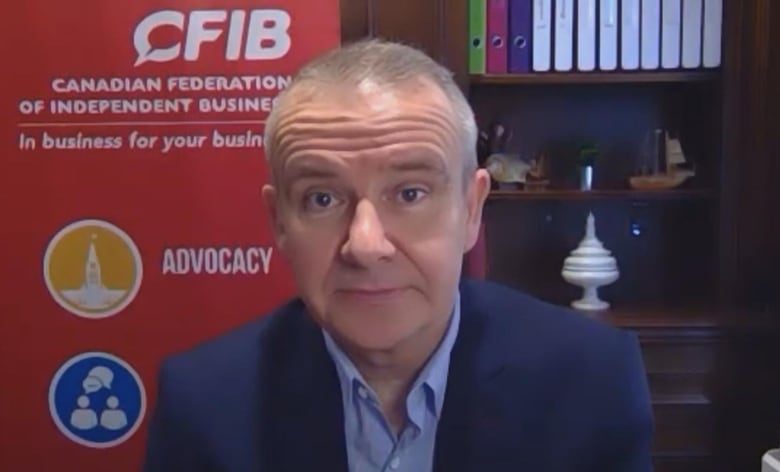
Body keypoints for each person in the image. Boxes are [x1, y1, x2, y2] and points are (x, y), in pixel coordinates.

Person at [142, 39, 653, 472]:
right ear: (279, 221)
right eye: (322, 199)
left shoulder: (591, 382)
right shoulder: (203, 402)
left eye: (410, 194)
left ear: (471, 209)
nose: (365, 246)